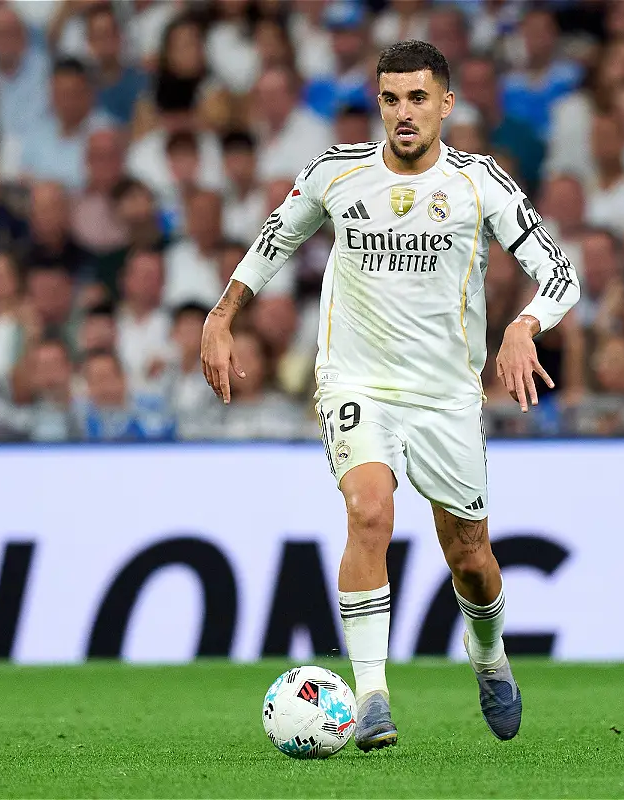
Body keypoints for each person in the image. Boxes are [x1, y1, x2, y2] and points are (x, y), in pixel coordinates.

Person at [199, 41, 579, 750]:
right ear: (378, 103)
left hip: (445, 397)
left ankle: (489, 653)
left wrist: (526, 325)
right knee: (368, 509)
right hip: (356, 382)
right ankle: (371, 694)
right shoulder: (335, 174)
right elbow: (275, 240)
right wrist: (223, 313)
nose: (403, 113)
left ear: (446, 104)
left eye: (417, 98)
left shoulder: (480, 183)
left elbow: (560, 274)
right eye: (391, 98)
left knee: (470, 556)